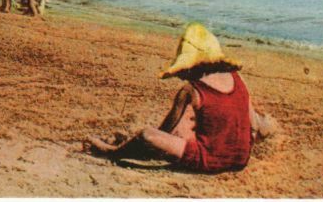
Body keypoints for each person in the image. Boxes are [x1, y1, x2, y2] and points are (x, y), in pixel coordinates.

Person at [88, 22, 275, 173]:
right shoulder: (238, 78)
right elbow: (253, 125)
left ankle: (111, 152)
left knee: (147, 135)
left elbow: (165, 129)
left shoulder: (191, 90)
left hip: (209, 160)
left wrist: (134, 144)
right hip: (241, 159)